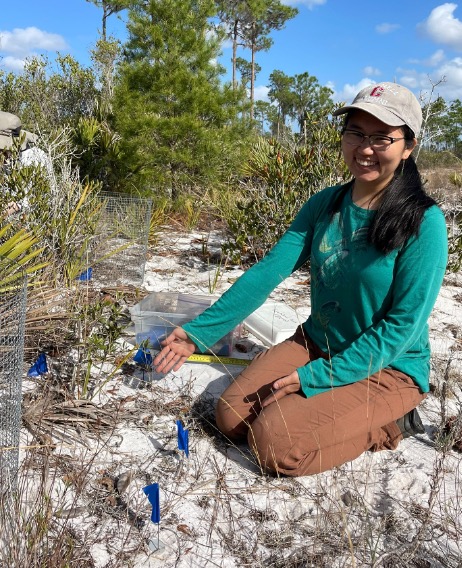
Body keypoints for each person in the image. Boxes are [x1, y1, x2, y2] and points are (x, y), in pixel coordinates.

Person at [154, 82, 448, 477]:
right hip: (317, 342)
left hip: (388, 367)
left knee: (273, 444)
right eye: (356, 133)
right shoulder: (326, 204)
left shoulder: (424, 223)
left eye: (382, 138)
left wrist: (316, 378)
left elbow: (402, 327)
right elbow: (268, 272)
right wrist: (198, 333)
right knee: (231, 417)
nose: (365, 149)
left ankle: (389, 425)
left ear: (408, 146)